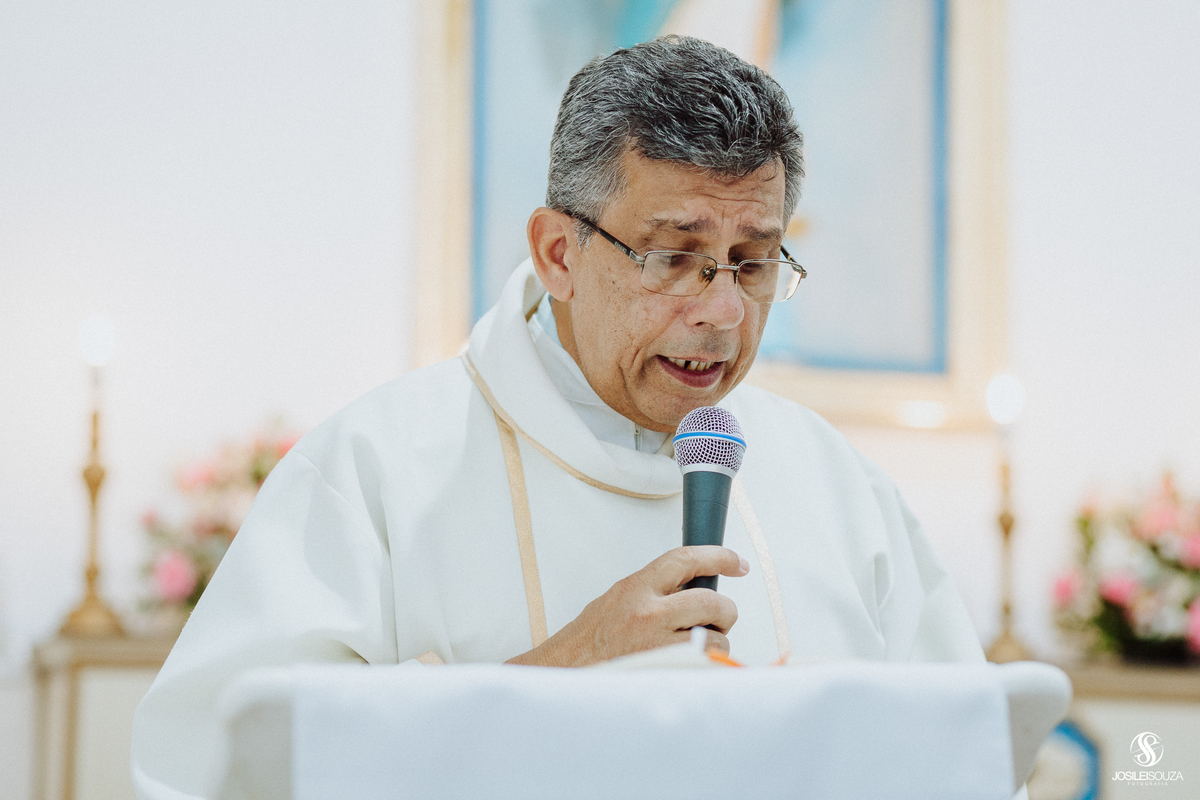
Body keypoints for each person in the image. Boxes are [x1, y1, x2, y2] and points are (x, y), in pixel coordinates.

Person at [132, 35, 985, 798]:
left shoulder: (838, 489)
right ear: (557, 253)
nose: (724, 310)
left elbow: (972, 762)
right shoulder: (374, 472)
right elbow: (207, 776)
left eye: (752, 261)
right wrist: (551, 679)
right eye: (674, 257)